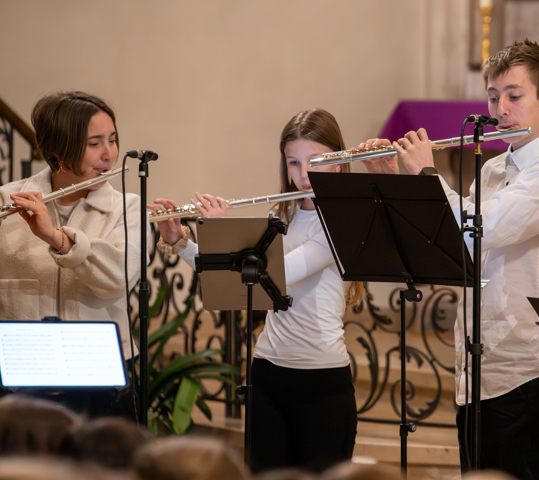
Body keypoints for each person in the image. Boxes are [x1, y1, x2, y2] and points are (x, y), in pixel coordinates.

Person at [361, 39, 539, 480]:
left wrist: (427, 174)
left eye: (514, 96)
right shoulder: (492, 169)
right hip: (478, 368)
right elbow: (445, 243)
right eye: (493, 96)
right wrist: (397, 182)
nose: (500, 109)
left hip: (528, 370)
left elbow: (479, 229)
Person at [151, 109, 362, 473]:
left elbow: (279, 274)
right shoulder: (284, 214)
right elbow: (240, 274)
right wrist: (181, 240)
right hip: (268, 371)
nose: (303, 173)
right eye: (294, 162)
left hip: (322, 379)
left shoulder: (343, 220)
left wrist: (221, 231)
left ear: (340, 162)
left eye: (315, 161)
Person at [0, 91, 141, 418]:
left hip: (100, 374)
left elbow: (117, 279)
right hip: (22, 372)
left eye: (112, 140)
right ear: (58, 152)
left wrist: (55, 237)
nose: (109, 154)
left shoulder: (126, 207)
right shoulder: (8, 199)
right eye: (94, 143)